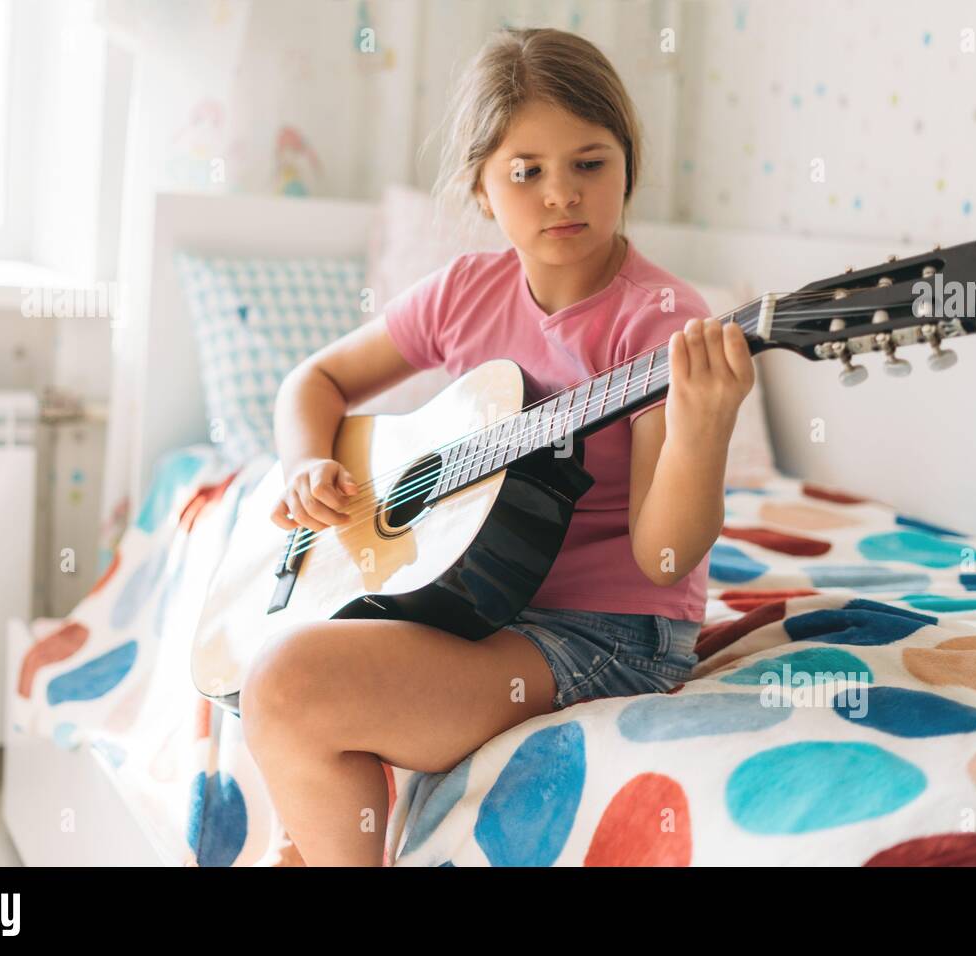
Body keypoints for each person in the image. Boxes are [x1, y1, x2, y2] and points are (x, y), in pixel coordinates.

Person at [240, 26, 755, 867]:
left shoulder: (659, 321)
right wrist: (305, 465)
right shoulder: (462, 293)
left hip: (605, 634)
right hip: (474, 606)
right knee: (278, 669)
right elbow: (315, 382)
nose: (562, 194)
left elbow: (665, 559)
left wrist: (705, 426)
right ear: (482, 188)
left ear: (628, 166)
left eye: (590, 164)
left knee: (286, 684)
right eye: (527, 172)